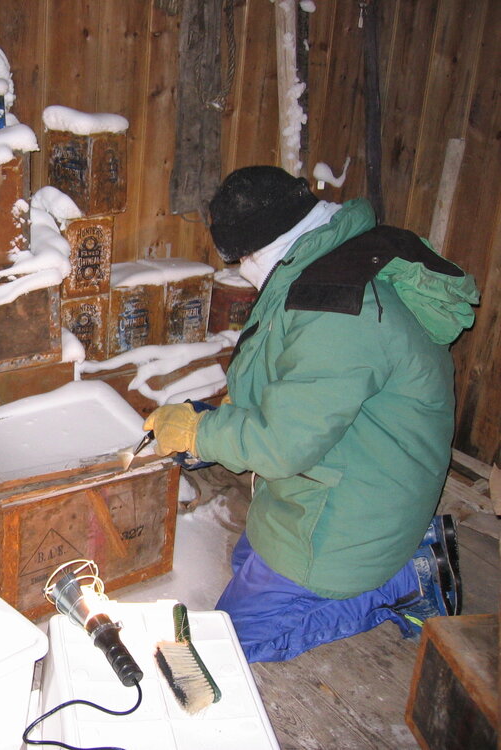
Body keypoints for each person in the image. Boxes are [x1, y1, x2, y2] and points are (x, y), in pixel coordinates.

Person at [143, 166, 480, 663]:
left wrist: (197, 431)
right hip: (349, 473)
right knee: (247, 556)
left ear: (263, 249)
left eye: (240, 260)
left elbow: (280, 445)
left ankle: (409, 578)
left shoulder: (335, 309)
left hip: (359, 509)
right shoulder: (323, 262)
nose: (240, 271)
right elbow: (299, 381)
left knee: (223, 646)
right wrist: (223, 415)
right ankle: (380, 566)